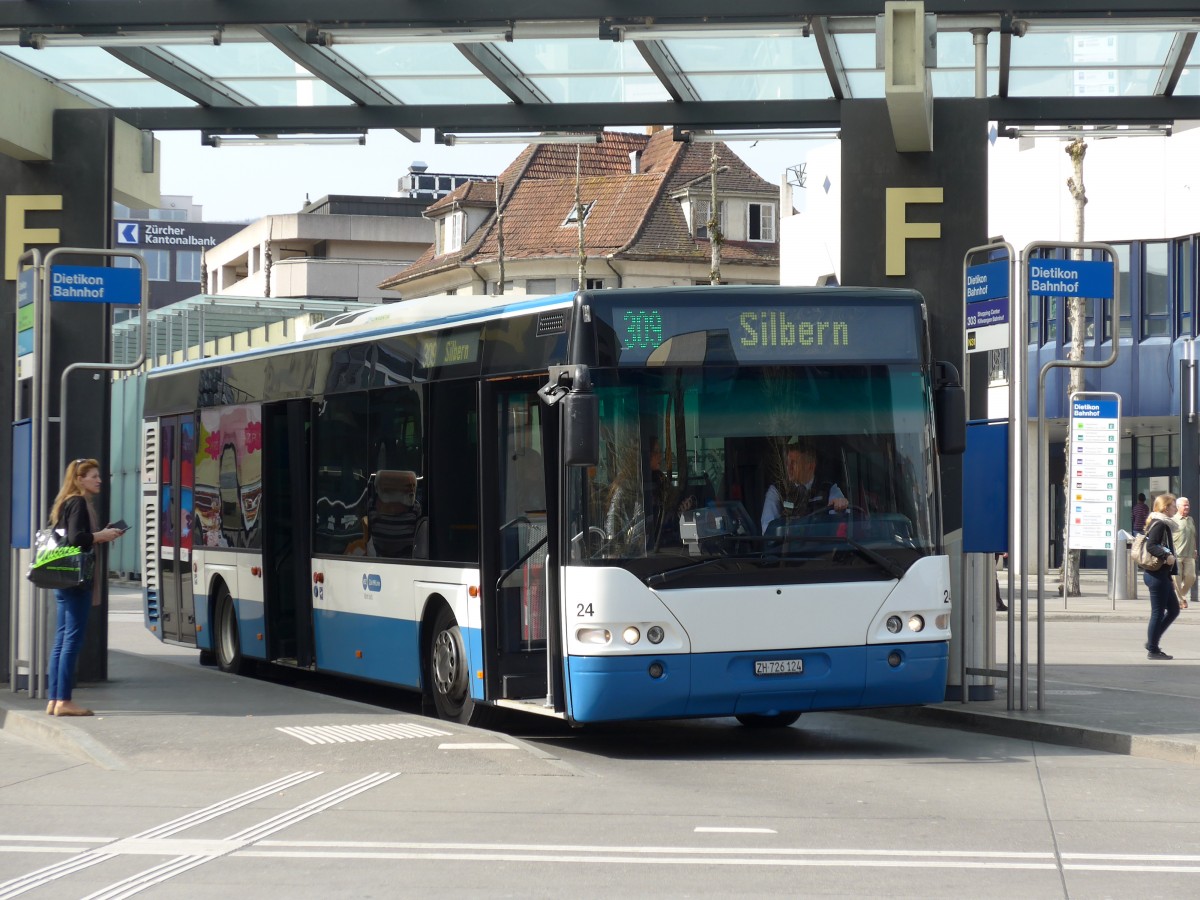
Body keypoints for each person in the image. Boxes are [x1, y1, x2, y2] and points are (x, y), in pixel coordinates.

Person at [45, 458, 124, 717]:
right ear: (79, 480)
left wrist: (101, 533)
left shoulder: (65, 503)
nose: (99, 480)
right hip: (77, 580)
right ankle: (64, 701)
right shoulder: (79, 502)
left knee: (60, 640)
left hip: (62, 579)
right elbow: (77, 538)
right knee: (71, 640)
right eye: (93, 476)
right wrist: (101, 536)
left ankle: (54, 699)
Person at [760, 440, 848, 534]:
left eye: (794, 463)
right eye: (787, 463)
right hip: (788, 547)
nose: (789, 468)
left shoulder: (829, 489)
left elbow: (840, 525)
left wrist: (840, 507)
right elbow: (767, 528)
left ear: (810, 466)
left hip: (822, 546)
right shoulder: (777, 491)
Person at [1141, 493, 1180, 661]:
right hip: (1156, 575)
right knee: (1158, 612)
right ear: (1165, 508)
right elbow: (1151, 546)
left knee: (1174, 610)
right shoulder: (1160, 524)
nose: (1175, 509)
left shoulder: (1161, 523)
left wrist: (1170, 577)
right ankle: (1153, 649)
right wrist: (1166, 556)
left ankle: (1152, 640)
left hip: (1161, 575)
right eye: (1173, 506)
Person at [1172, 496, 1196, 610]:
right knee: (1176, 578)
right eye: (1184, 505)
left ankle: (1180, 596)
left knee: (1191, 577)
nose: (1187, 507)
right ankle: (1182, 599)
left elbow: (1193, 536)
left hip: (1190, 554)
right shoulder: (1173, 520)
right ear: (1178, 507)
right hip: (1177, 554)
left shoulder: (1190, 519)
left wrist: (1195, 549)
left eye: (1188, 505)